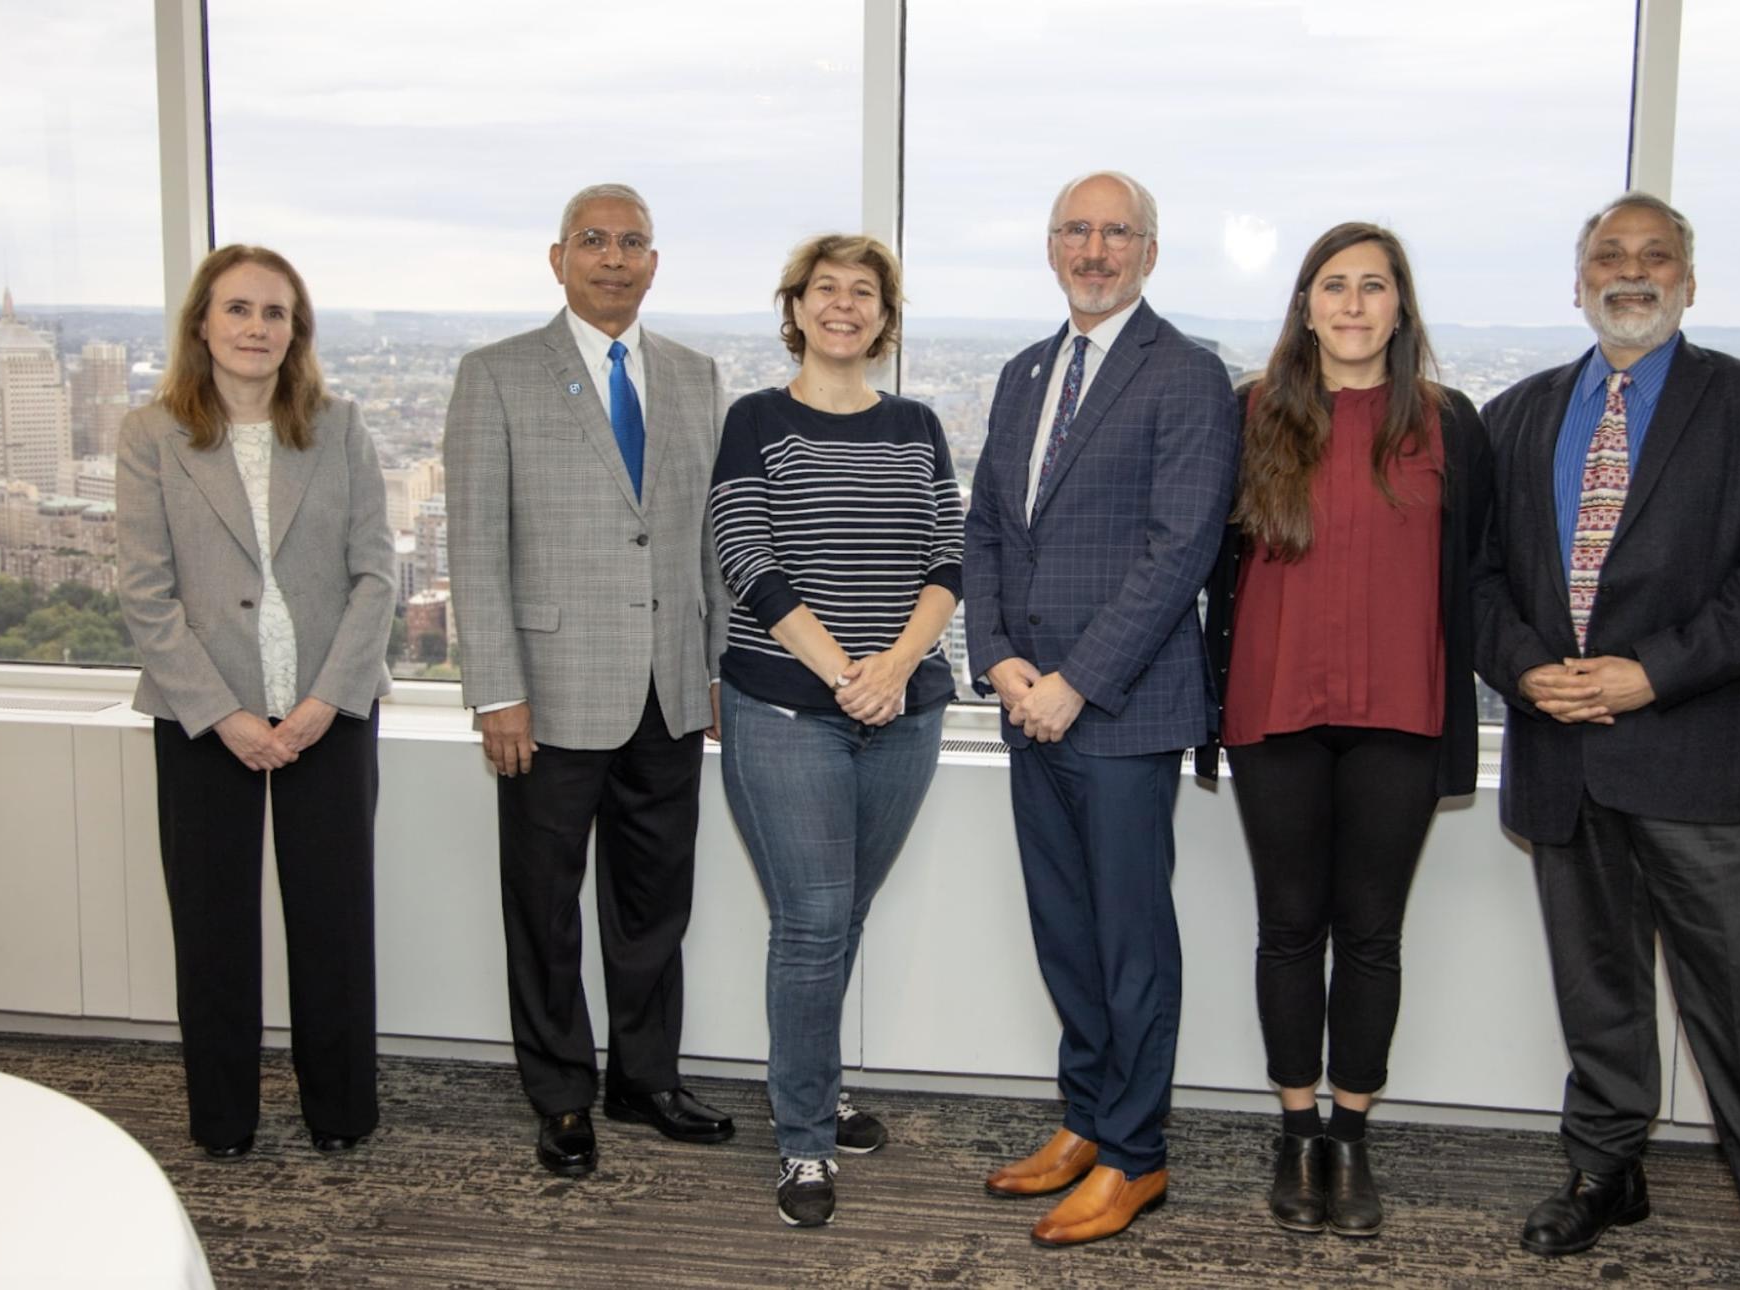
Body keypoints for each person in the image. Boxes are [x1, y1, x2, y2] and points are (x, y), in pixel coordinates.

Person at [1474, 192, 1740, 1289]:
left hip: (1694, 749)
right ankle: (1606, 1171)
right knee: (1598, 989)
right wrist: (1527, 669)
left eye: (1655, 256)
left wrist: (1650, 673)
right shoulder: (1519, 413)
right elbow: (1481, 579)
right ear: (1577, 279)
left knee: (1739, 1005)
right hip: (1561, 750)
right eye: (1607, 256)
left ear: (1690, 277)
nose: (1629, 272)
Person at [1196, 223, 1491, 1238]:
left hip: (1402, 715)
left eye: (1375, 287)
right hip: (1273, 710)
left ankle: (1351, 1140)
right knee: (1288, 927)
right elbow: (1204, 563)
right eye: (1335, 286)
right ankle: (1293, 1131)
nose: (1355, 304)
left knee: (1370, 933)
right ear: (1307, 305)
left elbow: (1481, 575)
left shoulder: (1451, 424)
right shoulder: (1251, 415)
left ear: (1401, 307)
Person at [963, 171, 1239, 1247]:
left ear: (1149, 253)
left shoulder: (1187, 375)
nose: (1094, 248)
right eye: (1076, 230)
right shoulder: (1027, 371)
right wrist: (1002, 665)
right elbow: (986, 527)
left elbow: (1182, 552)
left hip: (1119, 711)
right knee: (1066, 932)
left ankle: (1136, 1154)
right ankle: (1085, 1119)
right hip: (1031, 704)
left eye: (1115, 232)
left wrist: (1076, 682)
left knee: (1131, 942)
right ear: (1050, 247)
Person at [444, 182, 734, 1178]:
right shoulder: (497, 376)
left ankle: (645, 1079)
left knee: (656, 903)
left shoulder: (697, 377)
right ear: (558, 256)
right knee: (544, 904)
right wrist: (495, 689)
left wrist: (717, 670)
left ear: (655, 262)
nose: (614, 258)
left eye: (633, 243)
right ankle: (562, 1093)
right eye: (594, 241)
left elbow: (708, 538)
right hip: (548, 695)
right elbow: (474, 547)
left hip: (671, 688)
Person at [116, 244, 394, 1160]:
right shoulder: (150, 435)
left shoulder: (340, 425)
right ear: (203, 322)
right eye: (238, 310)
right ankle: (224, 1120)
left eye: (275, 314)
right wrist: (225, 713)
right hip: (204, 716)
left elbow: (375, 577)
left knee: (334, 922)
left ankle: (342, 1113)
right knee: (213, 926)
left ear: (296, 332)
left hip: (328, 711)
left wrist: (325, 700)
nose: (256, 328)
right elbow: (145, 596)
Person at [710, 234, 963, 1228]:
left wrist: (893, 671)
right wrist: (844, 673)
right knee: (813, 921)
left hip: (903, 712)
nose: (845, 305)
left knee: (841, 914)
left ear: (884, 316)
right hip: (784, 707)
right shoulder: (757, 420)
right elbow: (748, 559)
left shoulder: (918, 425)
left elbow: (948, 559)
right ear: (797, 307)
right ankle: (805, 1139)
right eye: (828, 289)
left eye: (866, 292)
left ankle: (806, 1082)